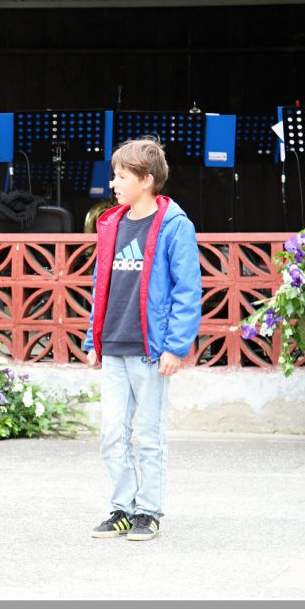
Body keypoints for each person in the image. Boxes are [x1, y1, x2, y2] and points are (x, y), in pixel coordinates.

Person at [83, 138, 201, 541]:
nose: (113, 184)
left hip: (150, 351)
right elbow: (101, 284)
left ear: (147, 179)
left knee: (149, 436)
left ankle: (148, 511)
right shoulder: (111, 223)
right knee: (111, 434)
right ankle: (122, 508)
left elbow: (187, 289)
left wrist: (176, 347)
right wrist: (93, 339)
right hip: (115, 346)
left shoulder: (174, 225)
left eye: (121, 176)